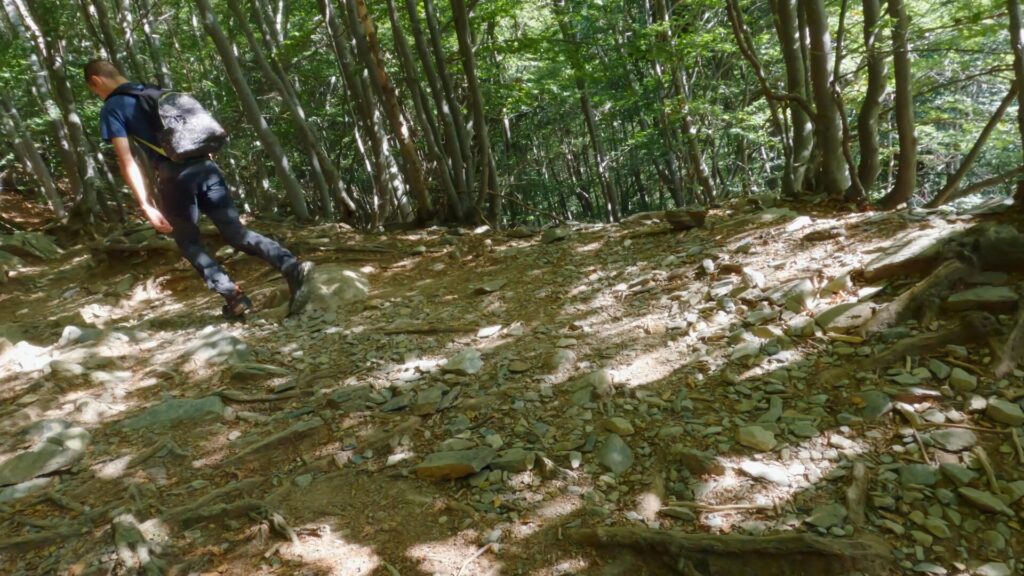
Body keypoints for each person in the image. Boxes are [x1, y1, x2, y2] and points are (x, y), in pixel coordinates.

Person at [83, 59, 314, 320]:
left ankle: (235, 299)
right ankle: (291, 266)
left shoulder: (113, 107)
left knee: (188, 241)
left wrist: (146, 204)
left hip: (175, 178)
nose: (97, 94)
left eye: (94, 91)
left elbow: (127, 161)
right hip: (206, 167)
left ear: (96, 81)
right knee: (235, 232)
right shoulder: (154, 91)